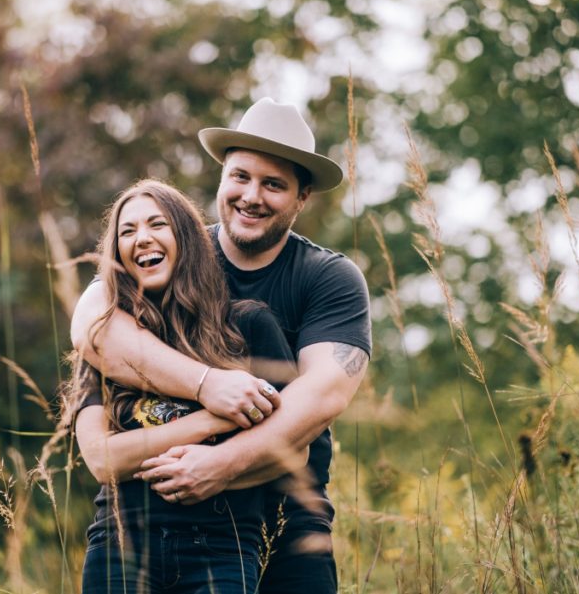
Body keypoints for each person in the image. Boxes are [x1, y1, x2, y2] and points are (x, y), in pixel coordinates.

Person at [71, 98, 372, 593]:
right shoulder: (167, 254)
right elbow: (92, 326)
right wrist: (208, 386)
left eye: (273, 184)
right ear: (221, 178)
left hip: (288, 524)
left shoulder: (328, 278)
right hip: (157, 525)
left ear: (302, 197)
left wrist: (221, 465)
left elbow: (323, 396)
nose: (251, 196)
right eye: (240, 176)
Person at [64, 179, 303, 593]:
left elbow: (293, 448)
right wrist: (213, 418)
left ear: (187, 238)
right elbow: (102, 459)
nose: (142, 239)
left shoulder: (248, 326)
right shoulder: (103, 341)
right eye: (127, 231)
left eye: (158, 224)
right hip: (120, 547)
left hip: (221, 548)